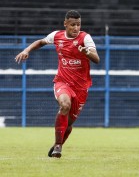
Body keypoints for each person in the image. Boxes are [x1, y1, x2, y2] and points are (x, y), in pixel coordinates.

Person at [15, 10, 100, 158]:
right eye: (73, 25)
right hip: (62, 82)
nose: (76, 28)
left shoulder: (85, 38)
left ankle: (56, 144)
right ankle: (58, 147)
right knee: (65, 105)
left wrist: (86, 52)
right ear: (65, 24)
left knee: (69, 123)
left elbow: (96, 58)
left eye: (78, 24)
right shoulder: (56, 36)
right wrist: (27, 49)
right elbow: (41, 42)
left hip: (81, 87)